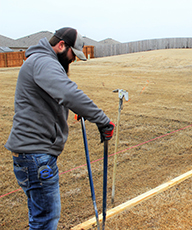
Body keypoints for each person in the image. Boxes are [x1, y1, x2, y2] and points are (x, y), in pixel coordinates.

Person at [5, 27, 115, 229]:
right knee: (45, 221)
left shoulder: (40, 60)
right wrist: (102, 120)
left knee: (41, 218)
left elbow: (55, 95)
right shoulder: (43, 62)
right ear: (61, 45)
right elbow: (68, 92)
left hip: (33, 154)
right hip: (36, 156)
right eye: (73, 54)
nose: (73, 60)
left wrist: (72, 107)